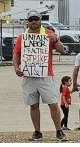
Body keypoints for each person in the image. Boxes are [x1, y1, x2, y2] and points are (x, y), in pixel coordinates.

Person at [13, 11, 66, 142]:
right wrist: (16, 67)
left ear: (40, 20)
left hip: (45, 75)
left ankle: (59, 131)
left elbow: (62, 49)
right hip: (29, 75)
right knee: (33, 105)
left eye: (36, 19)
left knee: (53, 104)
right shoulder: (23, 36)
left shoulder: (48, 34)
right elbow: (16, 53)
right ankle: (37, 132)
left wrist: (56, 40)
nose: (33, 21)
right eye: (31, 19)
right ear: (27, 21)